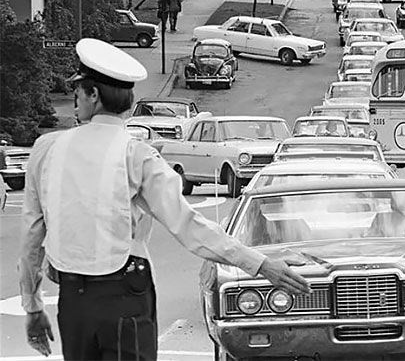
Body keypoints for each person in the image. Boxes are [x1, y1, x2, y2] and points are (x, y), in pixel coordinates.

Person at [18, 39, 309, 360]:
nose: (74, 96)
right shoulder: (137, 155)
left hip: (73, 299)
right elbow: (188, 227)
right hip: (125, 293)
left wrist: (32, 305)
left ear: (93, 95)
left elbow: (33, 236)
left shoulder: (46, 149)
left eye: (79, 89)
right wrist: (261, 264)